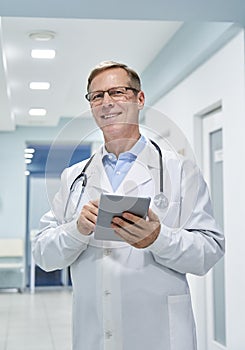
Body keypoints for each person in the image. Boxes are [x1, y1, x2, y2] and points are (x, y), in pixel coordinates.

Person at [33, 61, 225, 350]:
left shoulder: (179, 171)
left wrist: (159, 239)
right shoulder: (74, 177)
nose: (106, 102)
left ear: (140, 99)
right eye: (97, 96)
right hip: (94, 334)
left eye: (117, 92)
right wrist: (76, 230)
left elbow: (209, 251)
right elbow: (43, 255)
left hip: (160, 334)